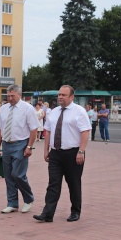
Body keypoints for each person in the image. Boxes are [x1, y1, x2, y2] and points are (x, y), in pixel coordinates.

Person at [33, 85, 91, 223]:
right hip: (56, 154)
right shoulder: (54, 112)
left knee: (74, 183)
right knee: (53, 184)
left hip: (73, 153)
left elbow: (85, 132)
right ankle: (47, 214)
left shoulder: (79, 111)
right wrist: (46, 150)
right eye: (59, 94)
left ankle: (75, 211)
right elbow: (47, 132)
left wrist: (81, 151)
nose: (60, 97)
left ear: (71, 97)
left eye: (63, 95)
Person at [0, 84, 38, 214]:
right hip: (7, 143)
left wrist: (29, 146)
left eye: (12, 96)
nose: (10, 98)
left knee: (17, 174)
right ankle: (12, 203)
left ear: (19, 94)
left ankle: (28, 199)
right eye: (8, 96)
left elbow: (34, 128)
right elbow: (0, 128)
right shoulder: (3, 108)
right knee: (8, 175)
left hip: (21, 143)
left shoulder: (27, 108)